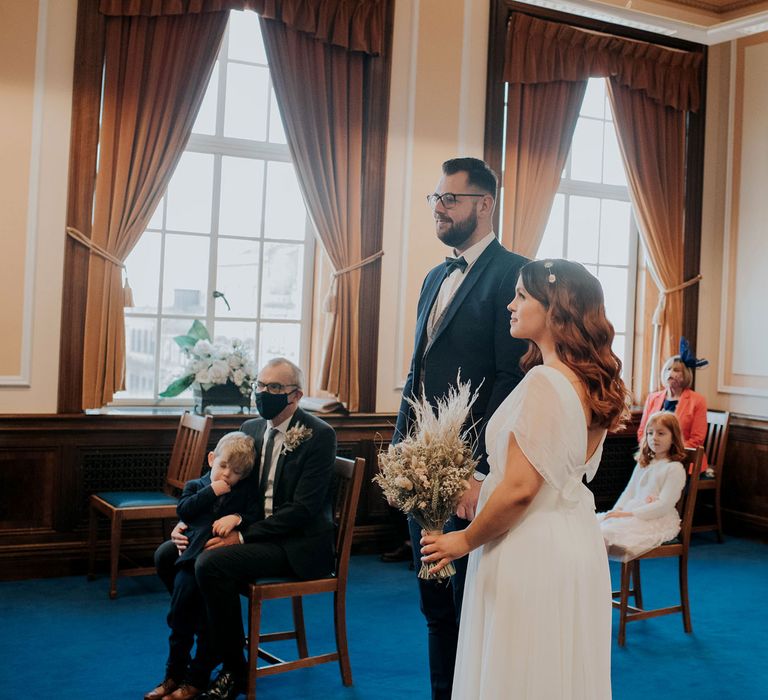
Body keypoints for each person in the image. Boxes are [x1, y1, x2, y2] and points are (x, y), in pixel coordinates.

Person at [421, 259, 630, 699]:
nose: (510, 305)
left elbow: (520, 490)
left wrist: (463, 540)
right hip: (573, 542)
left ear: (555, 308)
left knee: (519, 676)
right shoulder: (587, 381)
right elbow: (548, 472)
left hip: (530, 549)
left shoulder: (545, 382)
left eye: (521, 296)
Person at [396, 157, 527, 699]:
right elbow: (418, 369)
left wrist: (477, 471)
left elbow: (507, 378)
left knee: (468, 604)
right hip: (419, 472)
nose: (440, 208)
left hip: (470, 476)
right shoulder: (434, 276)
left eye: (450, 198)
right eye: (436, 199)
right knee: (433, 605)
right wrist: (398, 457)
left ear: (485, 204)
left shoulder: (514, 274)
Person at [152, 358, 337, 700]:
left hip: (295, 543)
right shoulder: (251, 428)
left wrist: (241, 535)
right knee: (167, 554)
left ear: (295, 396)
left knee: (210, 565)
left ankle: (234, 670)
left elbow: (303, 510)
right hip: (249, 524)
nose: (264, 393)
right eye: (261, 386)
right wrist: (188, 525)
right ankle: (206, 647)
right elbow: (222, 485)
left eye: (275, 388)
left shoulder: (319, 435)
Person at [145, 432, 257, 700]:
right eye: (223, 466)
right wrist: (210, 491)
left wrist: (236, 517)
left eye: (236, 472)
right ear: (211, 459)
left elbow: (254, 514)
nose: (227, 475)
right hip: (188, 563)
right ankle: (173, 674)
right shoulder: (196, 486)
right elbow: (184, 510)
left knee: (209, 622)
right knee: (180, 619)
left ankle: (196, 678)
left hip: (214, 565)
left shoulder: (242, 492)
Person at [598, 411, 687, 561]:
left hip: (657, 519)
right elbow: (630, 491)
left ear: (674, 438)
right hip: (632, 513)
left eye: (661, 433)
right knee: (596, 527)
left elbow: (663, 505)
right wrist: (617, 510)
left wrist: (628, 514)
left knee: (607, 533)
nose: (654, 438)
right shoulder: (644, 463)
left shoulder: (674, 469)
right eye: (650, 433)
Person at [637, 354, 708, 470]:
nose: (670, 373)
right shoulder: (652, 398)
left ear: (685, 374)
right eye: (668, 369)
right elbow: (642, 431)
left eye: (676, 370)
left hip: (684, 461)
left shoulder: (698, 401)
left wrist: (669, 454)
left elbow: (697, 439)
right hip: (653, 458)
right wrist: (652, 451)